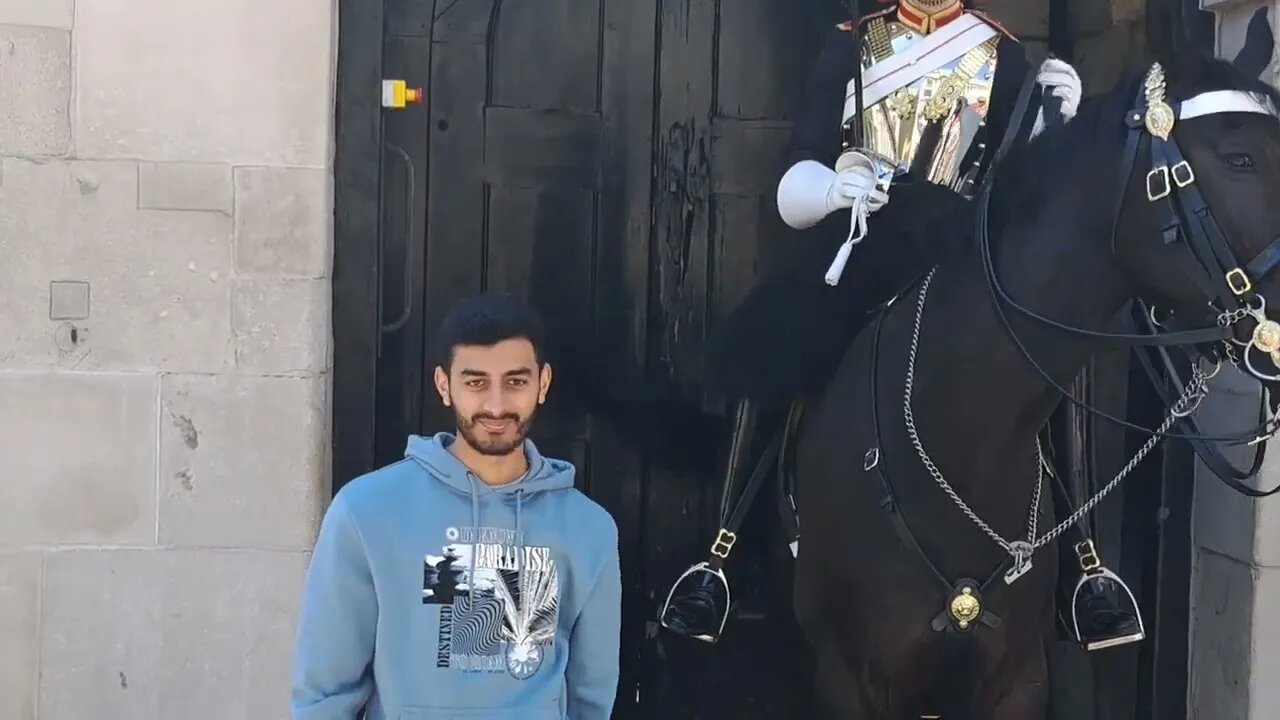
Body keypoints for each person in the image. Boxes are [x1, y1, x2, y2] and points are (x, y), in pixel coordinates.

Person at [660, 0, 1145, 654]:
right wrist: (832, 190)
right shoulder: (852, 45)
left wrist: (1052, 126)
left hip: (959, 250)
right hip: (862, 237)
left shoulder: (1005, 55)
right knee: (774, 330)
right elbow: (800, 163)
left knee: (1048, 351)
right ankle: (722, 554)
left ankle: (1084, 567)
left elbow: (1022, 189)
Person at [291, 292, 622, 720]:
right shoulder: (366, 511)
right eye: (476, 382)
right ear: (444, 385)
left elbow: (592, 692)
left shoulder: (588, 528)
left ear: (543, 384)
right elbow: (325, 688)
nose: (497, 405)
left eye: (516, 381)